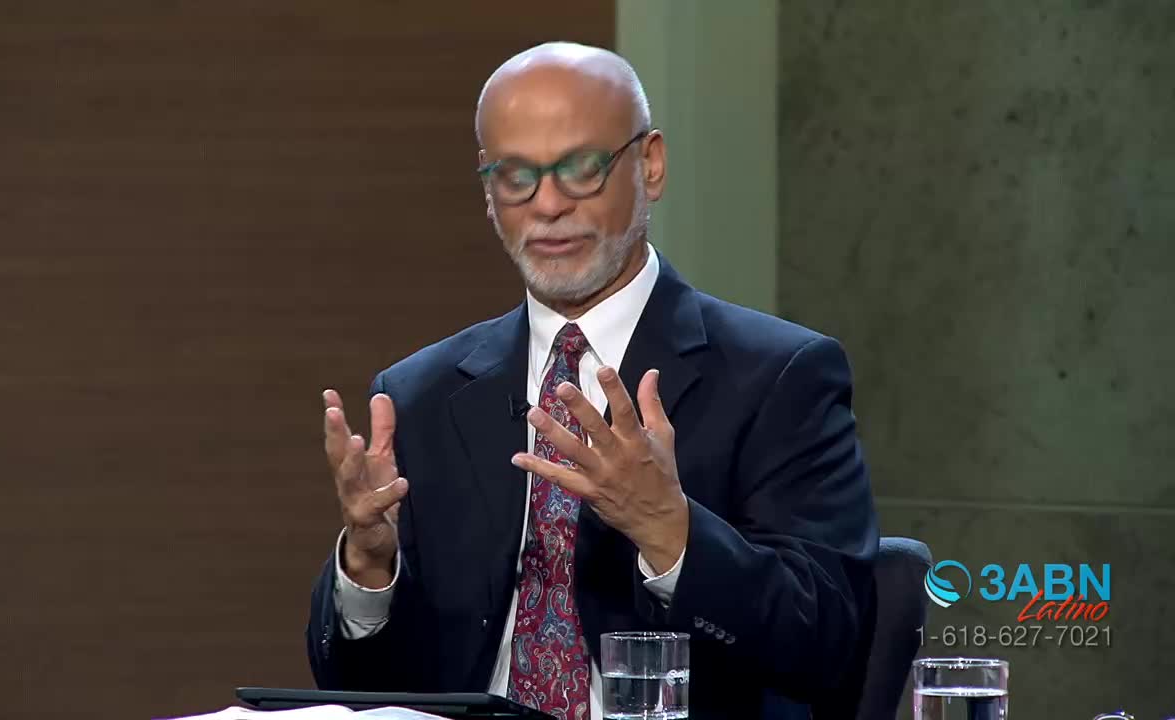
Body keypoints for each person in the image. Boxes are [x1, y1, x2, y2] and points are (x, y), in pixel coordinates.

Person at [306, 42, 879, 720]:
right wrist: (370, 570)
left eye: (580, 169)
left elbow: (832, 646)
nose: (548, 205)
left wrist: (671, 530)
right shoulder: (419, 396)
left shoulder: (779, 376)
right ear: (490, 192)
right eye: (516, 175)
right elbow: (363, 689)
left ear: (651, 165)